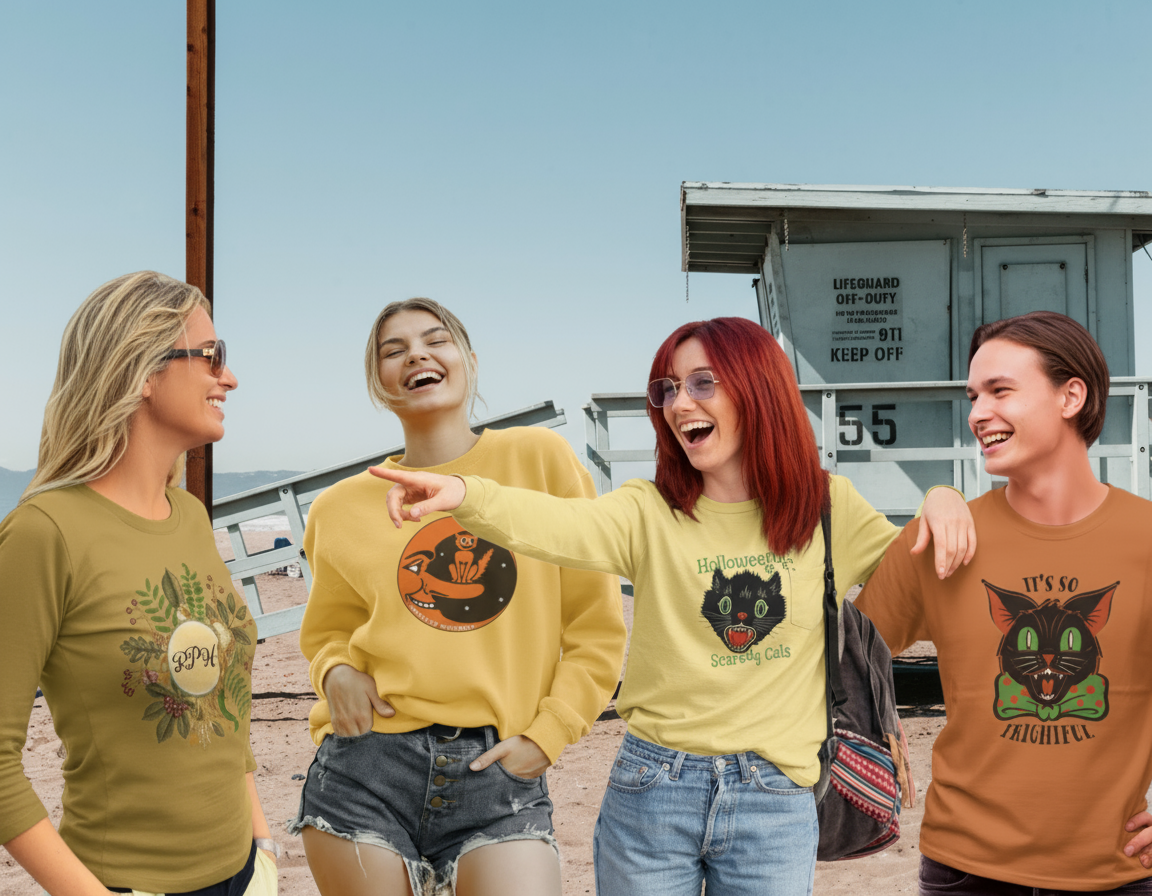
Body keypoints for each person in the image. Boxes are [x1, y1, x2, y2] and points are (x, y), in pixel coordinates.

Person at [371, 316, 975, 896]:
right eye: (669, 389)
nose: (681, 403)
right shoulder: (648, 510)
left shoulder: (824, 507)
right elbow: (557, 524)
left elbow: (918, 583)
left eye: (703, 383)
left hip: (777, 796)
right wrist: (467, 494)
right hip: (654, 787)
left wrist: (944, 497)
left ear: (759, 390)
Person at [287, 298, 627, 896]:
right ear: (379, 383)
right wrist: (334, 671)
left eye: (435, 340)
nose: (416, 354)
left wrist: (552, 732)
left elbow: (594, 626)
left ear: (468, 361)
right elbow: (327, 631)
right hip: (367, 766)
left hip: (495, 771)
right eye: (393, 351)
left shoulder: (539, 461)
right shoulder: (338, 508)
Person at [854, 310, 1152, 894]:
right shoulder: (939, 539)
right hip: (965, 870)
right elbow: (837, 666)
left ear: (1071, 396)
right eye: (972, 395)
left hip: (1118, 871)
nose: (977, 414)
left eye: (1000, 391)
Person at [0, 272, 278, 895]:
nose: (228, 378)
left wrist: (261, 845)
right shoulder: (44, 533)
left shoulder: (190, 517)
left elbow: (222, 703)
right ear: (143, 372)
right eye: (212, 357)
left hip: (243, 872)